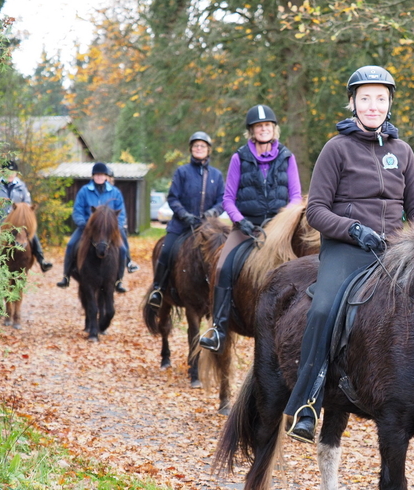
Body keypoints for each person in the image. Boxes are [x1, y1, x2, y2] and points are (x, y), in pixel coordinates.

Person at [284, 66, 414, 444]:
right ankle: (307, 403)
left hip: (397, 251)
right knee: (322, 309)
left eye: (380, 98)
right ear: (352, 102)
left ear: (389, 104)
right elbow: (316, 210)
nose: (373, 105)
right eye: (365, 98)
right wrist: (353, 229)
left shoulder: (402, 151)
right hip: (347, 250)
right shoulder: (336, 149)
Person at [199, 104, 302, 353]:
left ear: (274, 129)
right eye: (259, 126)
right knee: (223, 266)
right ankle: (219, 328)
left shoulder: (287, 157)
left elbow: (296, 196)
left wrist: (284, 223)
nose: (263, 129)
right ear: (252, 131)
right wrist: (241, 221)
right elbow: (228, 199)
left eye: (267, 125)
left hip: (279, 229)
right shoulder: (239, 157)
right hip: (246, 226)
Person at [147, 131, 225, 309]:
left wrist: (212, 213)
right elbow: (173, 198)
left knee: (223, 253)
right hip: (182, 226)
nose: (199, 148)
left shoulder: (216, 175)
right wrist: (184, 215)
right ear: (191, 149)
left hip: (208, 228)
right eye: (196, 146)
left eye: (202, 146)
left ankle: (224, 293)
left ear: (208, 150)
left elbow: (222, 200)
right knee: (166, 251)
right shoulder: (182, 172)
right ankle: (158, 290)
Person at [56, 162, 131, 292]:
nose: (99, 177)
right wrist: (83, 224)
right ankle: (66, 276)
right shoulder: (84, 191)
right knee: (71, 245)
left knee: (123, 249)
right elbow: (77, 211)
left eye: (101, 175)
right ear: (93, 176)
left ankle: (119, 279)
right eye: (96, 175)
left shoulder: (115, 192)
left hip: (109, 230)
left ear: (106, 176)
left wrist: (115, 227)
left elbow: (122, 213)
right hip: (88, 228)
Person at [0, 158, 53, 273]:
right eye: (8, 172)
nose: (11, 175)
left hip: (18, 222)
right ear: (3, 173)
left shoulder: (21, 186)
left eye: (13, 173)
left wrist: (20, 211)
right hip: (0, 221)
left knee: (33, 235)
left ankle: (41, 259)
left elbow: (27, 203)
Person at [106, 166, 140, 274]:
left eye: (107, 177)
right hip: (96, 225)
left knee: (122, 240)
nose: (105, 179)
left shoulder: (115, 192)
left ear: (111, 179)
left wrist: (117, 225)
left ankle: (128, 262)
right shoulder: (90, 191)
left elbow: (121, 212)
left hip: (112, 225)